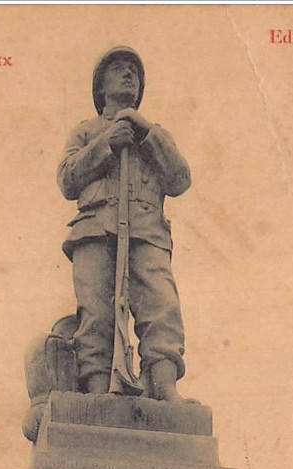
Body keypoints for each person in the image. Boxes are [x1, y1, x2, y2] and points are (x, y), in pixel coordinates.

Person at [58, 47, 191, 401]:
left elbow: (180, 180)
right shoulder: (85, 132)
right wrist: (107, 143)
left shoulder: (155, 134)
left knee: (161, 307)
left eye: (134, 70)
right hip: (94, 232)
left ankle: (165, 388)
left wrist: (147, 134)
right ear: (101, 87)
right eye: (118, 69)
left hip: (147, 233)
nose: (129, 74)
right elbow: (67, 181)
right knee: (96, 313)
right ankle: (98, 390)